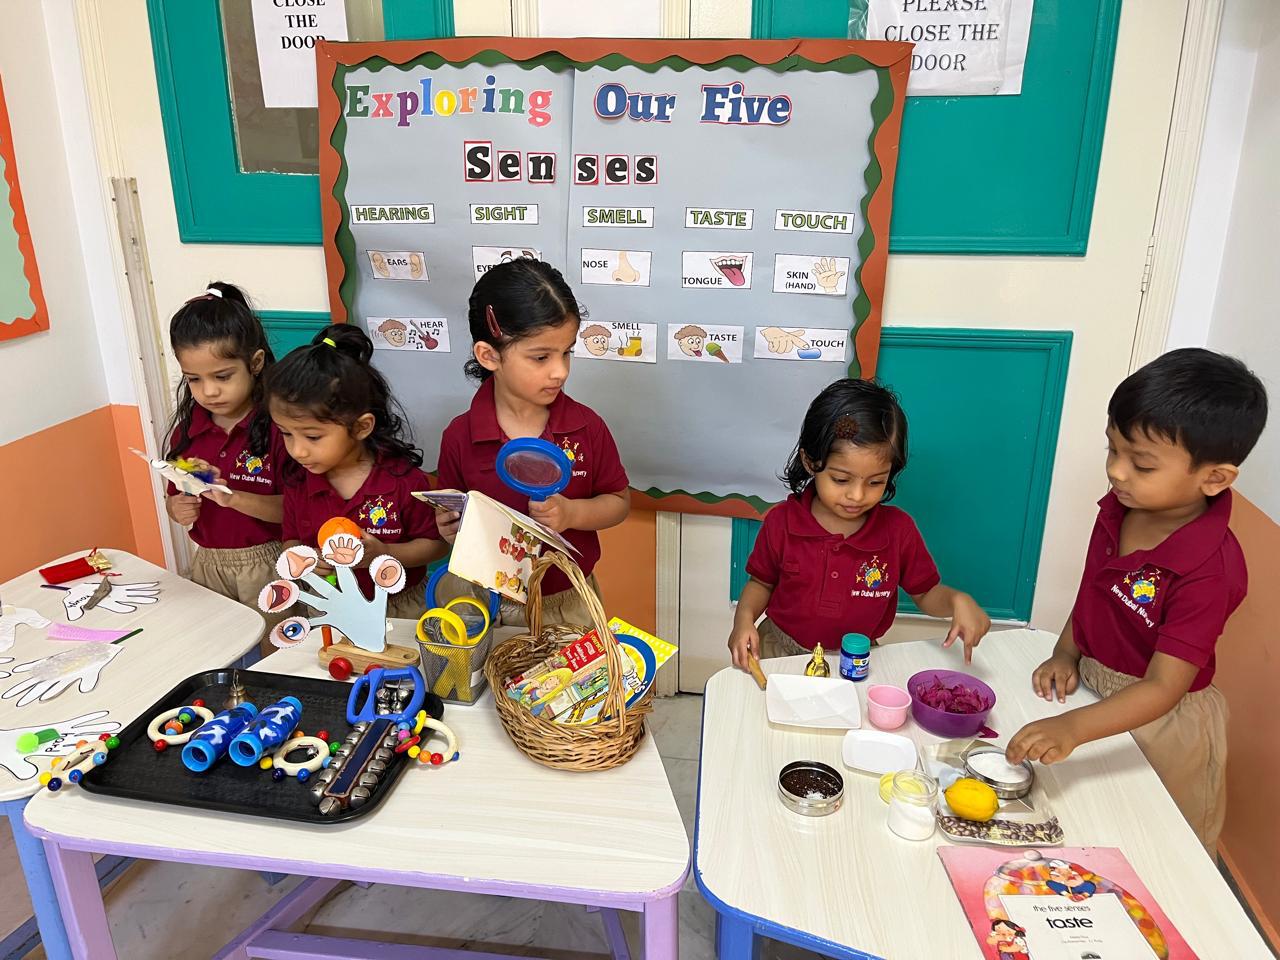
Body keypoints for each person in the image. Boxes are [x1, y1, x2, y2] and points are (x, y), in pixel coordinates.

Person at [1006, 348, 1268, 857]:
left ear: (1214, 478)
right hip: (1093, 688)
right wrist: (1066, 653)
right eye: (1113, 450)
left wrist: (1073, 727)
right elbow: (1094, 591)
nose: (1117, 473)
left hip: (1164, 720)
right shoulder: (1119, 510)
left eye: (1141, 464)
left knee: (1157, 849)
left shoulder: (1210, 568)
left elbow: (1164, 687)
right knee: (1088, 831)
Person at [728, 378, 989, 668]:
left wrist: (956, 601)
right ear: (811, 462)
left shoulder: (898, 530)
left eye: (876, 481)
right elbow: (761, 584)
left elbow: (926, 593)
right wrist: (743, 620)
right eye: (841, 480)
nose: (857, 496)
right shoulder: (782, 522)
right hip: (780, 651)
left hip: (857, 659)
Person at [429, 258, 630, 628]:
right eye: (541, 357)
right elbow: (452, 515)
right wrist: (449, 529)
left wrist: (572, 514)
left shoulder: (586, 427)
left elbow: (618, 502)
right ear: (489, 355)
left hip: (566, 602)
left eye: (567, 352)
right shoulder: (459, 436)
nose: (560, 371)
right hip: (483, 602)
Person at [266, 324, 440, 619]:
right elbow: (291, 539)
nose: (298, 450)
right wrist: (305, 560)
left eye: (313, 436)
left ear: (361, 427)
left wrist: (385, 552)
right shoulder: (298, 480)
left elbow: (434, 546)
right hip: (330, 606)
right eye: (286, 434)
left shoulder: (403, 480)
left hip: (398, 609)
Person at [162, 283, 286, 634]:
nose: (209, 391)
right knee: (217, 647)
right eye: (194, 380)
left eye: (222, 376)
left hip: (270, 564)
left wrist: (234, 498)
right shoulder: (188, 432)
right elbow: (175, 496)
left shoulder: (281, 428)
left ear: (255, 363)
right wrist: (177, 508)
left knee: (275, 651)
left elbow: (294, 511)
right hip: (208, 566)